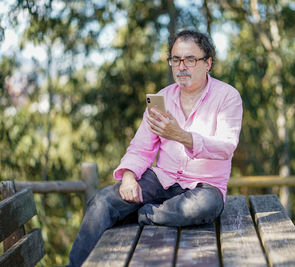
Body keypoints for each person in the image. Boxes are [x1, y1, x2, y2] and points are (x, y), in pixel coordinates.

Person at [67, 29, 243, 266]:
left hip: (205, 186)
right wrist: (129, 177)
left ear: (207, 63)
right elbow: (141, 148)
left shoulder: (228, 97)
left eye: (190, 59)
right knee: (102, 201)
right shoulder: (162, 98)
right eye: (176, 59)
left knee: (204, 207)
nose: (182, 66)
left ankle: (145, 213)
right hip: (162, 179)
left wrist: (181, 135)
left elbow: (226, 146)